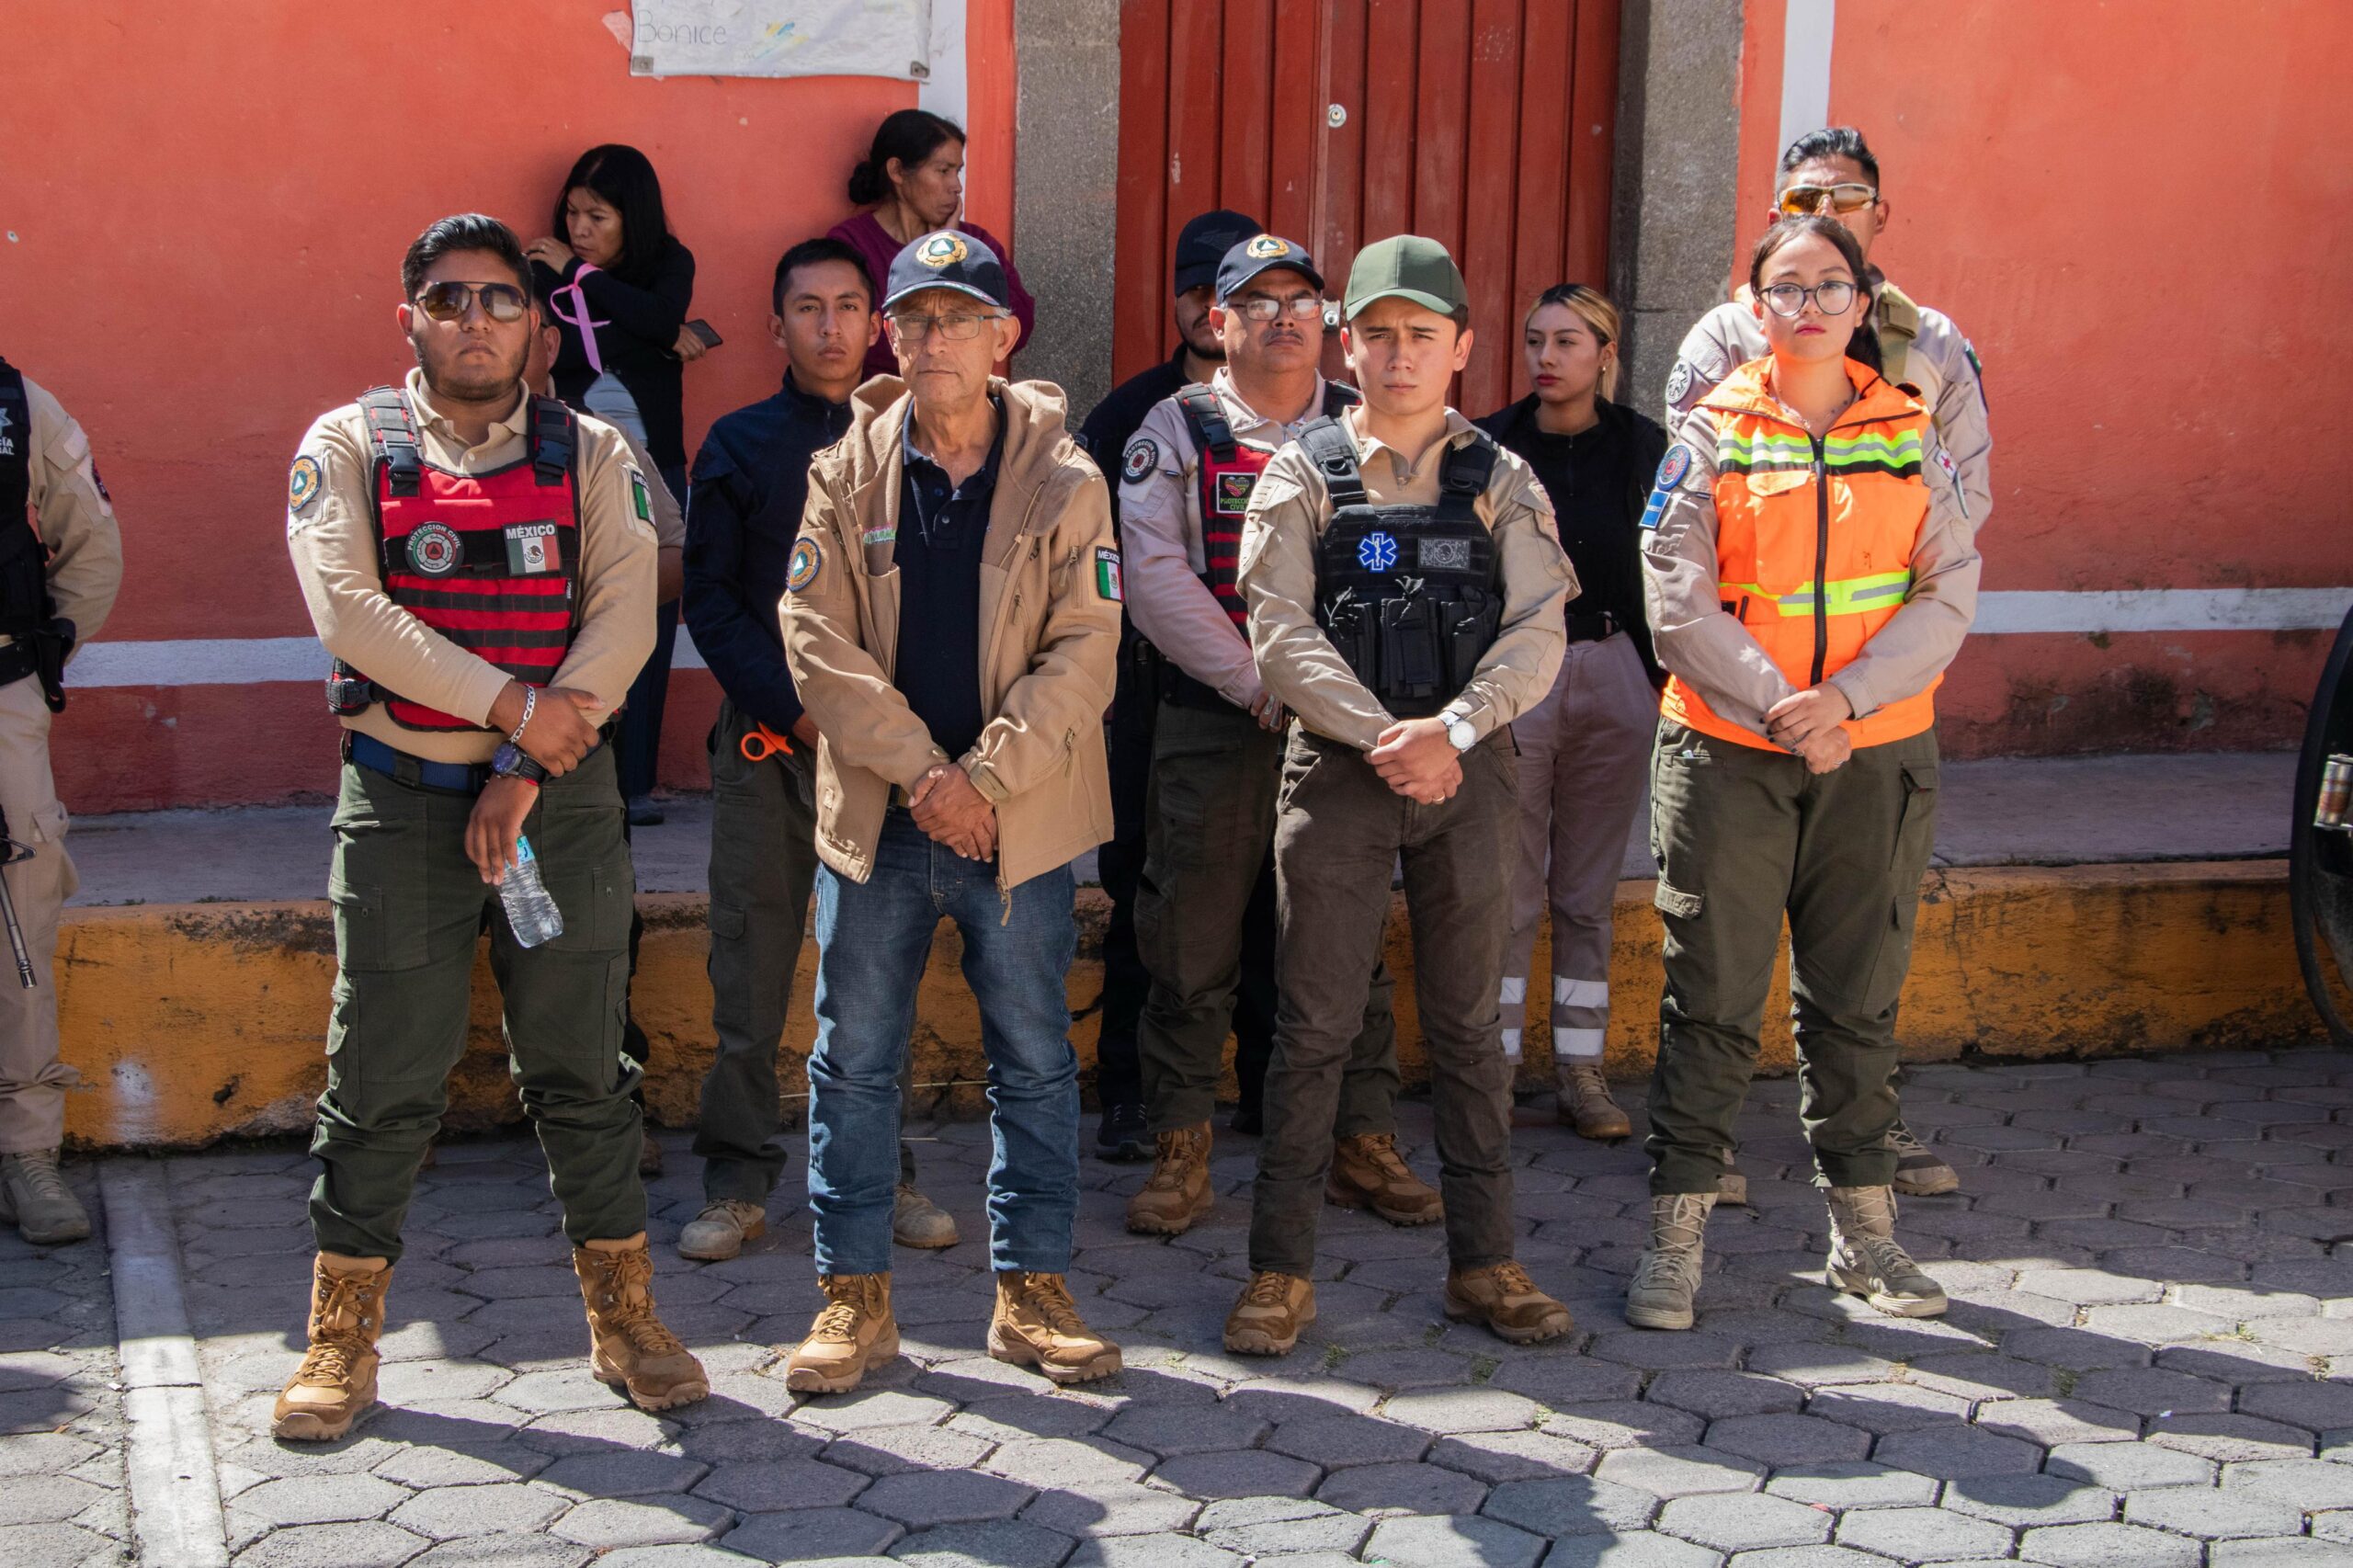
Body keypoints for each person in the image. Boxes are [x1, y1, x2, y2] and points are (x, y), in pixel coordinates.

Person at [276, 214, 702, 1440]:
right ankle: (341, 1339)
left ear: (535, 320)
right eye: (450, 298)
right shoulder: (348, 444)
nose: (476, 319)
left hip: (559, 807)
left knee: (583, 1066)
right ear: (408, 316)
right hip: (402, 800)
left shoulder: (593, 451)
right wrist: (513, 707)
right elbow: (349, 610)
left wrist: (523, 757)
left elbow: (624, 612)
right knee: (380, 1072)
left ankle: (625, 1316)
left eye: (501, 299)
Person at [778, 230, 1122, 1393]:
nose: (933, 340)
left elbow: (1086, 650)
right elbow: (815, 643)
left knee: (1033, 1059)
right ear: (891, 335)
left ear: (1001, 337)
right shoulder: (844, 473)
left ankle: (1031, 1293)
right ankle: (852, 1299)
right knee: (852, 1061)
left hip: (1016, 826)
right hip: (882, 824)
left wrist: (984, 779)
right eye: (914, 319)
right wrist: (931, 779)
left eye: (958, 318)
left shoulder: (1068, 480)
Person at [1225, 235, 1577, 1357]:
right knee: (1313, 1027)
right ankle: (1280, 1270)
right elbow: (1278, 629)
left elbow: (1538, 627)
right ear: (1349, 344)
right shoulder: (1301, 471)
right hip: (1342, 773)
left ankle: (1484, 1263)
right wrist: (1388, 736)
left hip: (1467, 776)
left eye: (1422, 334)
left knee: (1470, 1027)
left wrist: (1454, 729)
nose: (1398, 354)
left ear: (1462, 346)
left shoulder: (1502, 478)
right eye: (1377, 333)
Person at [1630, 215, 1979, 1332]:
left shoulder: (1908, 429)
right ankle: (1676, 1237)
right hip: (1729, 751)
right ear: (1754, 304)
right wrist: (1784, 704)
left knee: (1857, 1001)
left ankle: (1865, 1236)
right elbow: (1675, 598)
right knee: (1710, 1001)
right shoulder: (1710, 430)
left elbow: (1948, 588)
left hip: (1873, 753)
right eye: (1788, 286)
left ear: (1862, 300)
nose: (1811, 304)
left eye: (1832, 285)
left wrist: (1847, 701)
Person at [1118, 233, 1429, 1239]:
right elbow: (1155, 579)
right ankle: (1179, 1147)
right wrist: (1260, 682)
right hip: (1219, 722)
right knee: (1190, 940)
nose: (1284, 318)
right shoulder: (1177, 427)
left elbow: (1408, 563)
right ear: (1220, 322)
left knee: (1348, 945)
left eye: (1301, 300)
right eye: (1258, 302)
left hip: (1343, 733)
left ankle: (1361, 1139)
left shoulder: (1365, 420)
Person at [673, 237, 957, 1259]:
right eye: (808, 308)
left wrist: (899, 735)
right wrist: (798, 714)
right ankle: (736, 1180)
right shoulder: (741, 445)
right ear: (777, 325)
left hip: (888, 758)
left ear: (876, 322)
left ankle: (885, 1177)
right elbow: (710, 600)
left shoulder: (925, 438)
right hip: (772, 745)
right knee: (750, 970)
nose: (830, 327)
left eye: (847, 306)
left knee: (874, 979)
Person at [1074, 207, 1261, 1160]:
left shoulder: (1309, 411)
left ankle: (1268, 1089)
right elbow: (1087, 557)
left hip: (1282, 694)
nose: (1208, 306)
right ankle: (1131, 1092)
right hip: (1152, 692)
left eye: (1228, 290)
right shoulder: (1127, 417)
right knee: (1146, 885)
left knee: (1274, 891)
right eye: (1195, 287)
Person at [1475, 286, 1665, 1142]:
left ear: (1605, 353)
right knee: (1509, 891)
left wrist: (1652, 678)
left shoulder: (1643, 447)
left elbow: (1669, 566)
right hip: (1522, 674)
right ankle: (1496, 1068)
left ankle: (1582, 1073)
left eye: (1567, 342)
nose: (1546, 358)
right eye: (1534, 341)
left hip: (1615, 670)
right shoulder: (1490, 445)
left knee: (1586, 894)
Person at [527, 144, 702, 827]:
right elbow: (560, 351)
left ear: (635, 218)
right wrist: (653, 331)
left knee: (651, 616)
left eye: (597, 217)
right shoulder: (536, 274)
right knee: (576, 618)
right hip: (573, 464)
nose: (578, 228)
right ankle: (572, 775)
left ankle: (635, 784)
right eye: (572, 213)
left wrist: (581, 275)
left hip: (658, 466)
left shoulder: (669, 264)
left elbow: (658, 319)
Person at [0, 360, 121, 1245]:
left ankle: (26, 1154)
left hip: (1, 690)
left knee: (19, 927)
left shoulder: (18, 405)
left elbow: (91, 537)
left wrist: (44, 660)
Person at [828, 109, 1035, 383]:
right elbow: (855, 338)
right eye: (943, 171)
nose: (956, 186)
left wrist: (952, 255)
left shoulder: (974, 242)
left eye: (957, 172)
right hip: (878, 400)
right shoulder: (850, 245)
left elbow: (1020, 325)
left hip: (960, 399)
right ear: (897, 171)